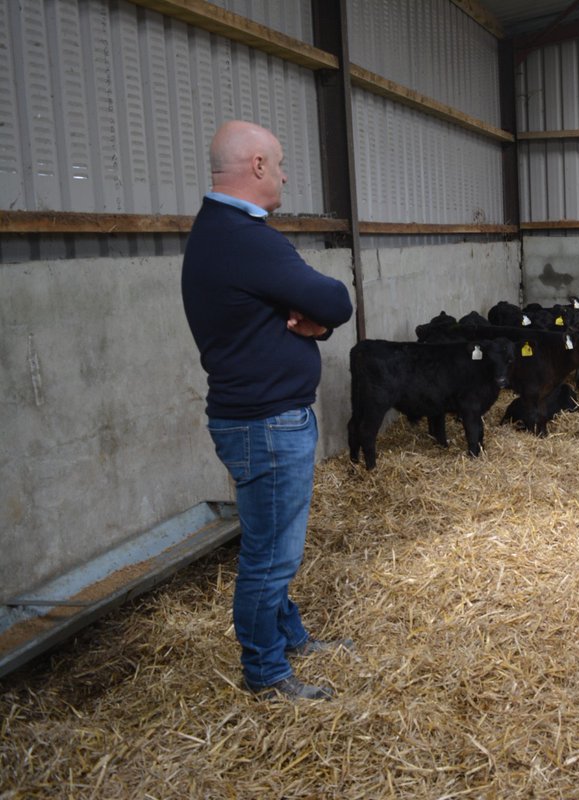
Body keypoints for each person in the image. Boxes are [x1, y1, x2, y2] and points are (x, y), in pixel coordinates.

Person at [181, 120, 354, 701]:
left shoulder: (220, 233)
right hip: (266, 422)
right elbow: (334, 300)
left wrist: (313, 324)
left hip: (257, 419)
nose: (283, 174)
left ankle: (290, 640)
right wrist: (319, 318)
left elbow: (314, 314)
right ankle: (268, 675)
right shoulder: (244, 237)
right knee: (270, 558)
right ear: (256, 166)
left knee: (272, 546)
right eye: (279, 164)